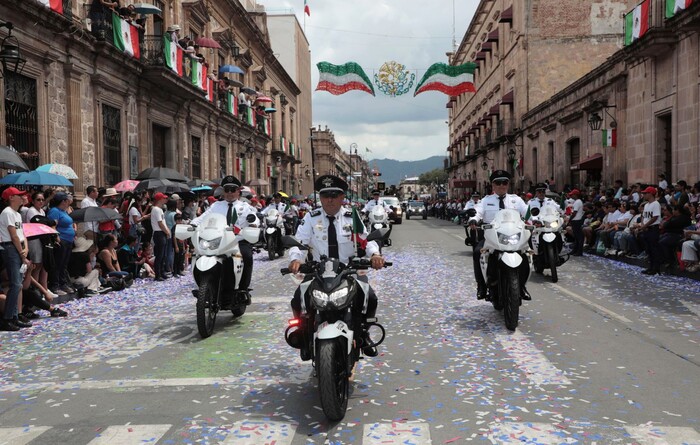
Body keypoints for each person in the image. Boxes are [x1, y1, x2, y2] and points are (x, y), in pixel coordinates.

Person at [288, 175, 386, 358]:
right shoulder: (311, 218)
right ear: (320, 198)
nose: (330, 200)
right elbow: (299, 243)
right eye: (325, 195)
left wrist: (375, 255)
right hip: (319, 271)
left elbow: (365, 241)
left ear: (342, 197)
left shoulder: (351, 217)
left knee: (370, 297)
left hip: (348, 271)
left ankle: (364, 334)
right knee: (298, 299)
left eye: (334, 195)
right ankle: (303, 334)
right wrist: (296, 259)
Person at [191, 176, 259, 298]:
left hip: (237, 241)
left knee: (247, 256)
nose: (229, 193)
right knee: (199, 254)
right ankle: (205, 286)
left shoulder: (245, 207)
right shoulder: (216, 206)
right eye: (226, 190)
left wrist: (253, 225)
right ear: (223, 191)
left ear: (238, 191)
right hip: (219, 242)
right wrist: (192, 224)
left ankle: (243, 290)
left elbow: (254, 219)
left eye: (233, 190)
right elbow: (203, 217)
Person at [467, 170, 529, 300]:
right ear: (493, 185)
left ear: (508, 184)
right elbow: (478, 212)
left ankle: (522, 286)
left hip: (513, 236)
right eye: (498, 183)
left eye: (504, 182)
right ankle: (481, 286)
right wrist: (473, 219)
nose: (502, 185)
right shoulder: (485, 201)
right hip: (491, 236)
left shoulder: (516, 200)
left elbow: (528, 212)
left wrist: (536, 219)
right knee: (478, 252)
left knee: (526, 253)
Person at [0, 187, 32, 331]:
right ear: (11, 198)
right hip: (11, 248)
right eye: (18, 196)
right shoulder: (7, 213)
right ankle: (7, 318)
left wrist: (26, 248)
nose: (22, 198)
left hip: (18, 248)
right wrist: (21, 253)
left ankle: (14, 316)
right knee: (16, 284)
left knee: (17, 284)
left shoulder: (17, 214)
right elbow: (12, 235)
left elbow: (21, 233)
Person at [47, 191, 76, 295]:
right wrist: (56, 237)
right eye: (67, 200)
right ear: (63, 201)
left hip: (68, 240)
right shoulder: (55, 211)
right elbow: (52, 225)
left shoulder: (63, 211)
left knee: (64, 264)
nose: (69, 202)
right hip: (61, 239)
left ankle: (63, 283)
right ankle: (55, 285)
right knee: (58, 263)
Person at [635, 186, 662, 275]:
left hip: (653, 228)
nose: (644, 195)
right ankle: (650, 267)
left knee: (654, 249)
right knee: (648, 249)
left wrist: (645, 225)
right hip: (646, 228)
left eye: (645, 193)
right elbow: (643, 216)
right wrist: (643, 224)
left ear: (650, 194)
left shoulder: (656, 204)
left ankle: (656, 268)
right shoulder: (646, 205)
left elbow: (655, 217)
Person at [150, 192, 170, 281]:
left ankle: (162, 272)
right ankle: (158, 274)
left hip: (161, 232)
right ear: (160, 199)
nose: (165, 200)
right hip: (159, 233)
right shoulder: (156, 210)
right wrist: (167, 232)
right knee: (159, 255)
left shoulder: (159, 209)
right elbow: (160, 223)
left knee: (163, 254)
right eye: (163, 198)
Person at [568, 189, 585, 256]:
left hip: (577, 220)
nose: (571, 196)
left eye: (572, 194)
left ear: (576, 195)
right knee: (576, 236)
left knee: (579, 237)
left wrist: (570, 219)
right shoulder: (577, 202)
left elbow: (575, 212)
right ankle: (575, 250)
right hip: (575, 220)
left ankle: (579, 251)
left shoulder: (578, 202)